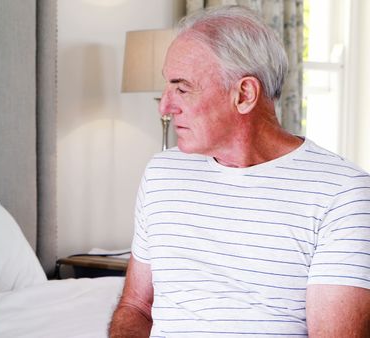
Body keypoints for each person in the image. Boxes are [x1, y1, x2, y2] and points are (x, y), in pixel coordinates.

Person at [109, 5, 370, 337]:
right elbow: (135, 307)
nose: (165, 105)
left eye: (183, 88)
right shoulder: (162, 172)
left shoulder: (342, 193)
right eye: (167, 86)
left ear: (244, 95)